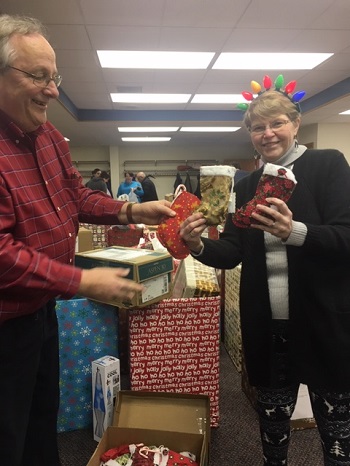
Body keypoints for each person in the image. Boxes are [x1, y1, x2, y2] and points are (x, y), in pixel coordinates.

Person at [0, 14, 175, 466]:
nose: (53, 89)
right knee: (7, 432)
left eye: (53, 76)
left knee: (42, 417)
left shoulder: (50, 137)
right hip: (5, 324)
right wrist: (79, 281)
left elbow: (75, 196)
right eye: (37, 76)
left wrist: (131, 209)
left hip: (40, 311)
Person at [179, 77, 350, 466]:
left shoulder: (327, 165)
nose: (267, 133)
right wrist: (198, 245)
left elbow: (346, 237)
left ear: (296, 124)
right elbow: (232, 251)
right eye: (258, 127)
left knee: (336, 432)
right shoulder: (249, 183)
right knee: (272, 429)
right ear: (250, 134)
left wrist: (296, 232)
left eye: (276, 123)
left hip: (322, 320)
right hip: (268, 325)